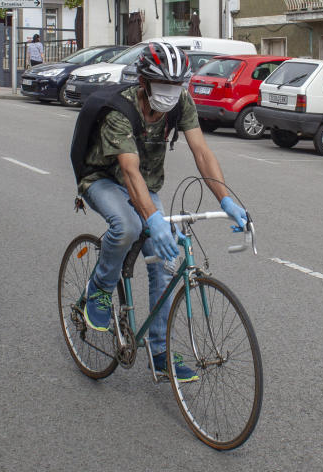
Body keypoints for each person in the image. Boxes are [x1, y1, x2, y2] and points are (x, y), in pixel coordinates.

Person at [78, 41, 248, 382]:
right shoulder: (119, 111)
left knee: (165, 262)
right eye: (162, 86)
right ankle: (97, 289)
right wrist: (152, 219)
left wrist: (227, 200)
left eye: (176, 85)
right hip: (103, 179)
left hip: (147, 183)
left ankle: (160, 353)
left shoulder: (180, 103)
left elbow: (202, 152)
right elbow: (129, 171)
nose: (171, 93)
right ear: (143, 83)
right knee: (127, 226)